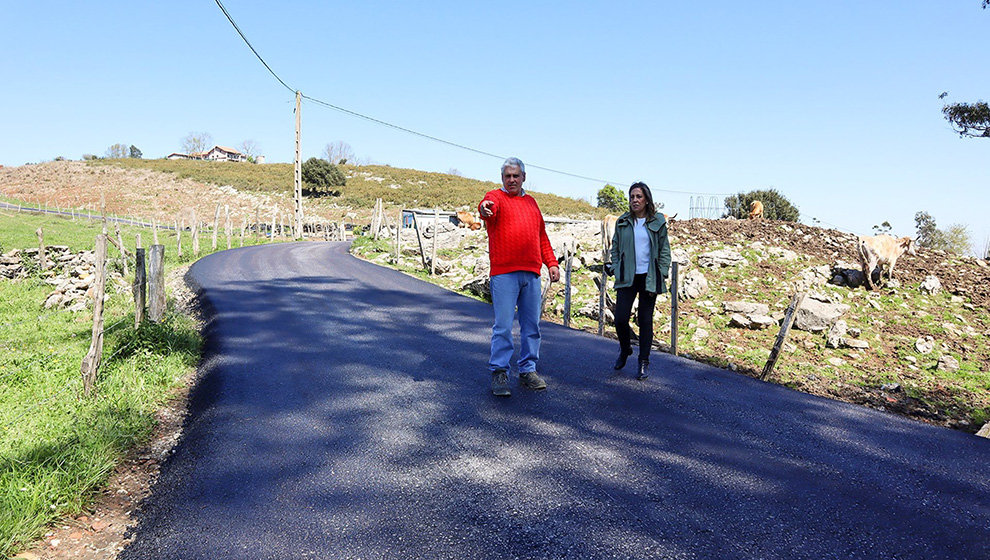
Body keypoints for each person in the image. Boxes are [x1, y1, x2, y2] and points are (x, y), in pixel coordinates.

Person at [479, 157, 561, 397]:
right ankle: (499, 372)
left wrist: (552, 263)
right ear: (502, 178)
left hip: (532, 273)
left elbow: (542, 237)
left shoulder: (532, 203)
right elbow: (487, 207)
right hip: (504, 273)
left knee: (532, 326)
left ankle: (527, 370)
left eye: (516, 176)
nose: (512, 180)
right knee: (503, 326)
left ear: (524, 177)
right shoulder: (495, 197)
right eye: (507, 176)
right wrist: (484, 207)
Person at [605, 182, 672, 380]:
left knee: (645, 320)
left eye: (639, 197)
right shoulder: (623, 221)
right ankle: (625, 349)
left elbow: (664, 250)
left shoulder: (658, 221)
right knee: (620, 319)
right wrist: (616, 267)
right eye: (632, 197)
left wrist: (662, 273)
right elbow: (615, 248)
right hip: (628, 275)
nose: (635, 200)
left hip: (649, 276)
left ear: (646, 199)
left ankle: (643, 361)